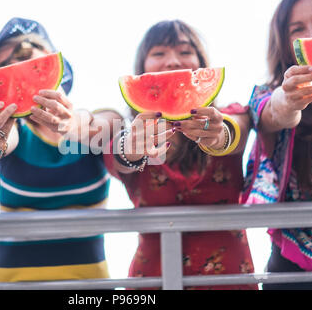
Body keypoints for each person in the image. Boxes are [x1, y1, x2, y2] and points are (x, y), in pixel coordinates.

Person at [0, 17, 122, 283]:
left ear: (52, 60)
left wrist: (74, 127)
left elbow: (108, 125)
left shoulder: (94, 120)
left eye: (26, 54)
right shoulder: (17, 134)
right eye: (3, 68)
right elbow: (0, 142)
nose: (16, 68)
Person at [104, 20, 257, 290]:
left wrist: (220, 136)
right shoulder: (129, 133)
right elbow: (119, 158)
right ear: (142, 70)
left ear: (202, 64)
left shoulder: (230, 114)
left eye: (185, 52)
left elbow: (237, 131)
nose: (173, 62)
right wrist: (131, 147)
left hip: (229, 280)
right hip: (153, 281)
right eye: (159, 53)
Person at [242, 0, 312, 290]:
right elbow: (274, 112)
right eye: (297, 29)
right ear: (283, 42)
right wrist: (288, 101)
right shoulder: (264, 94)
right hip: (293, 271)